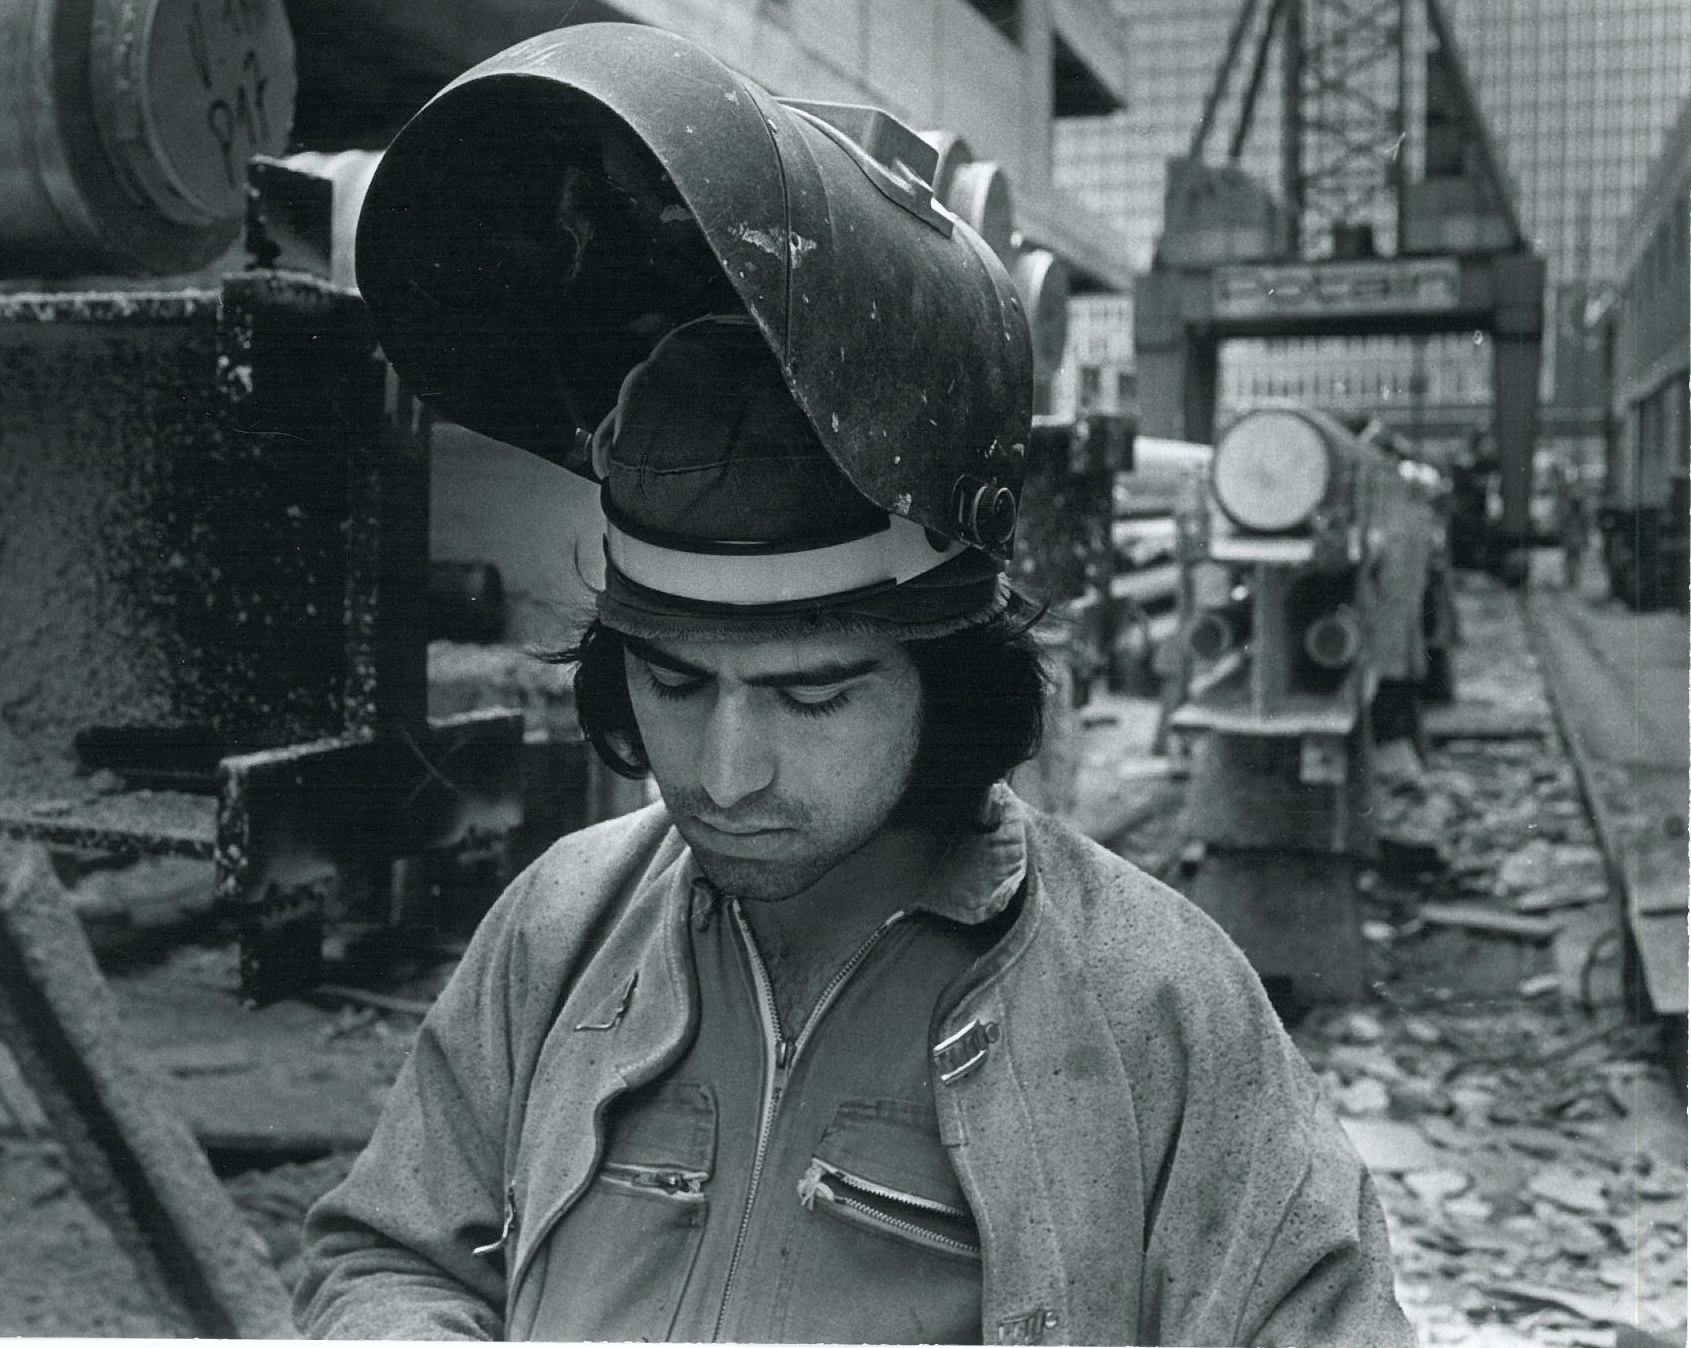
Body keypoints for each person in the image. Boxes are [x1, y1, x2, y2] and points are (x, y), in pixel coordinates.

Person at [295, 22, 1414, 1346]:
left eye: (812, 696)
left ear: (948, 681)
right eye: (672, 682)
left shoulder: (1147, 1006)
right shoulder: (559, 931)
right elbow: (389, 1254)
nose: (721, 773)